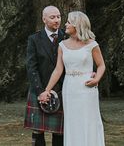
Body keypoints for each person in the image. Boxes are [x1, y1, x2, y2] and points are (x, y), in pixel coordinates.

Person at [41, 10, 106, 146]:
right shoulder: (62, 45)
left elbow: (101, 65)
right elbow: (58, 70)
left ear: (77, 25)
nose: (65, 24)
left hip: (87, 88)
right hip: (69, 88)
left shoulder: (92, 44)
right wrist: (47, 90)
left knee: (88, 121)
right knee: (72, 122)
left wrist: (97, 78)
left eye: (69, 22)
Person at [25, 5, 66, 146]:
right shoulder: (34, 39)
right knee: (38, 132)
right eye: (52, 17)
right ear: (44, 19)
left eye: (59, 16)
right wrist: (41, 91)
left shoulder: (67, 37)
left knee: (60, 132)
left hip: (62, 90)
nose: (57, 20)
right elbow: (32, 68)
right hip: (40, 89)